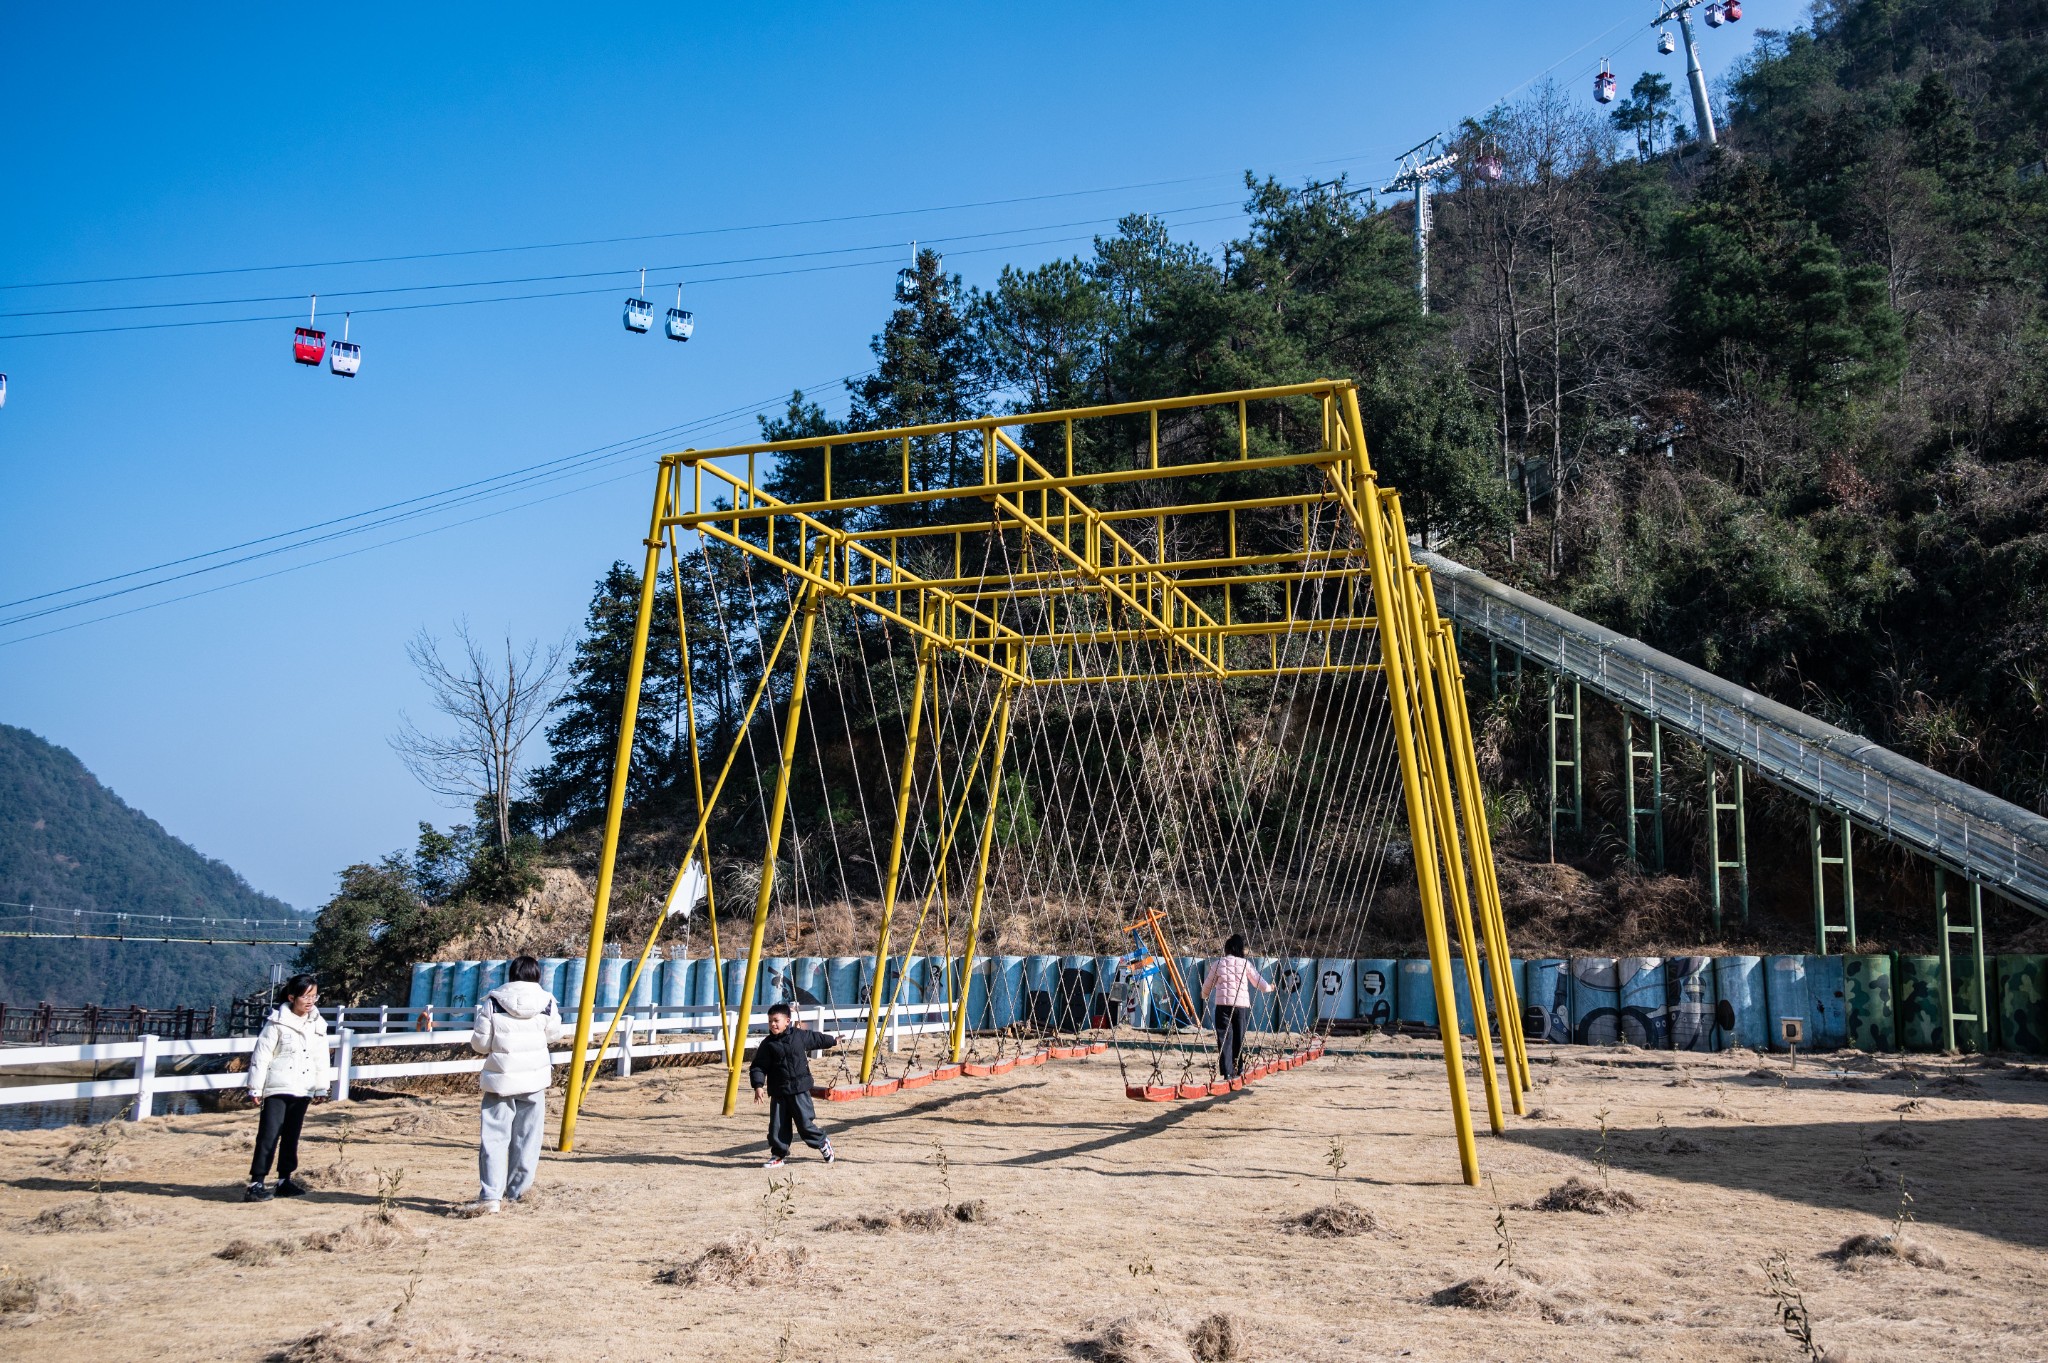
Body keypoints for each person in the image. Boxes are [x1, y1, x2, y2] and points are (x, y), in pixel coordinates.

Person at [465, 954, 567, 1214]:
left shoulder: (493, 1002)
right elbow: (554, 1035)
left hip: (501, 1078)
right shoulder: (547, 1002)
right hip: (533, 1080)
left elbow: (480, 1044)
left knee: (494, 1138)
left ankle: (490, 1197)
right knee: (528, 1139)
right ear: (537, 976)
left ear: (511, 975)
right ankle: (519, 1193)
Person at [244, 973, 331, 1202]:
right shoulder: (276, 1023)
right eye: (306, 996)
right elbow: (261, 1056)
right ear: (292, 997)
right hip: (277, 1087)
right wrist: (255, 1087)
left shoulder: (318, 1025)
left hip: (303, 1087)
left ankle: (284, 1180)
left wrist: (321, 1088)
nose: (310, 1000)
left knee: (292, 1135)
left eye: (314, 996)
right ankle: (256, 1183)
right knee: (268, 1135)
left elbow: (321, 1059)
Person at [748, 1003, 838, 1169]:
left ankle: (822, 1142)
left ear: (787, 1021)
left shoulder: (798, 1036)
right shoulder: (768, 1045)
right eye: (770, 1021)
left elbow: (815, 1039)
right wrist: (758, 1085)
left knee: (805, 1124)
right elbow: (758, 1066)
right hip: (779, 1091)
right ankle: (778, 1155)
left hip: (799, 1089)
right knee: (778, 1126)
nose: (773, 1024)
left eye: (776, 1021)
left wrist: (832, 1040)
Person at [1201, 934, 1272, 1080]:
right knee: (1239, 1038)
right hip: (1241, 1007)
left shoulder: (1218, 964)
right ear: (1241, 950)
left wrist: (1204, 995)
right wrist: (1270, 987)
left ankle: (1227, 1072)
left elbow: (1206, 988)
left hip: (1223, 1006)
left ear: (1226, 949)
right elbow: (1260, 983)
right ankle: (1239, 1069)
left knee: (1225, 1038)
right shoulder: (1245, 964)